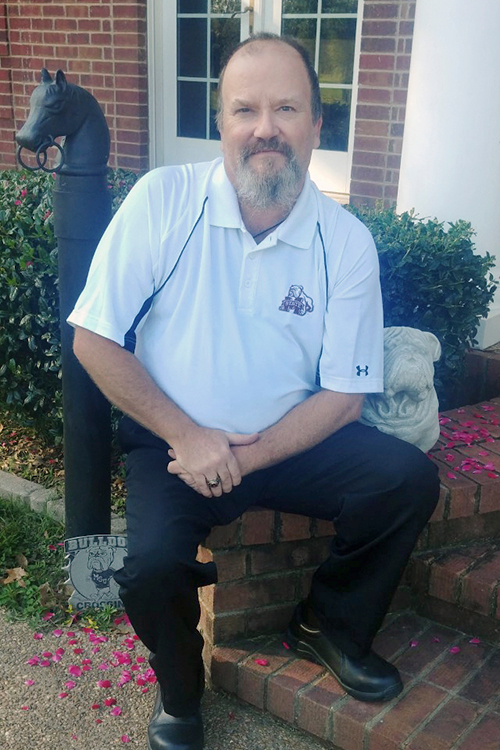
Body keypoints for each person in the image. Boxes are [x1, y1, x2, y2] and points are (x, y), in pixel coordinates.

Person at [68, 33, 440, 750]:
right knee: (146, 568)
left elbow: (344, 397)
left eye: (286, 108)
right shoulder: (164, 201)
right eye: (244, 109)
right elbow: (95, 339)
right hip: (177, 442)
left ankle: (327, 625)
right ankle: (180, 692)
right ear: (222, 126)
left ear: (315, 127)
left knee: (404, 481)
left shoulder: (346, 242)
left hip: (292, 439)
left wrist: (257, 451)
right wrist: (189, 436)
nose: (264, 127)